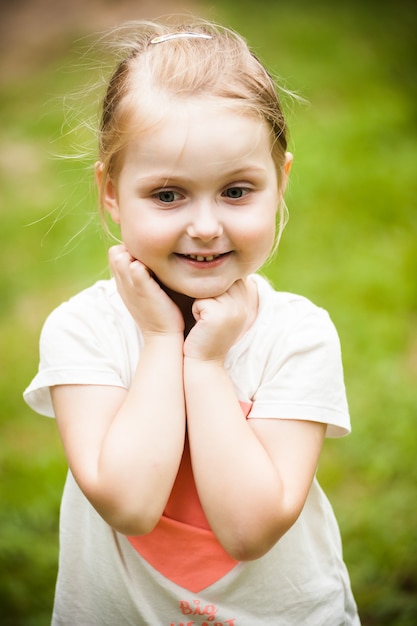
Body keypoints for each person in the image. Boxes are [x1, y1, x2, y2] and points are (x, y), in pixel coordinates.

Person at [24, 18, 360, 625]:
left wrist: (204, 363)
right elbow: (129, 504)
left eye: (236, 191)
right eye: (168, 194)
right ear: (110, 191)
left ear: (280, 182)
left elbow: (249, 530)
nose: (205, 226)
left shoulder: (298, 336)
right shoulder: (83, 331)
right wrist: (161, 339)